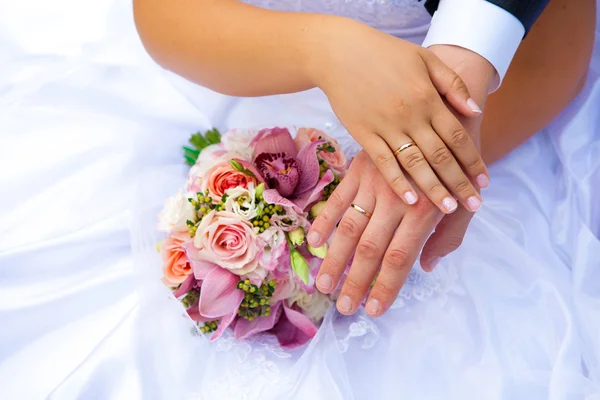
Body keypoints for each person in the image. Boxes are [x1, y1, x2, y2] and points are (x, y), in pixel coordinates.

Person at [0, 0, 598, 399]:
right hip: (237, 66)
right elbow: (163, 13)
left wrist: (428, 148)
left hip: (496, 105)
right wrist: (322, 50)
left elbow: (559, 38)